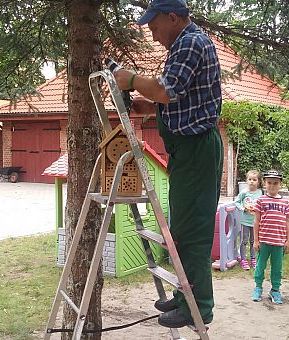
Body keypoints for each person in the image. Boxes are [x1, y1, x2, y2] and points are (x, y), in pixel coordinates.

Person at [113, 0, 223, 328]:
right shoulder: (183, 43)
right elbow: (176, 96)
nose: (152, 32)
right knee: (182, 229)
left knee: (193, 232)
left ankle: (198, 307)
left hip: (197, 150)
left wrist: (131, 79)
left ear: (173, 17)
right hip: (187, 151)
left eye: (155, 25)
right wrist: (150, 105)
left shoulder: (190, 42)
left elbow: (166, 89)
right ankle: (184, 296)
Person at [251, 170, 289, 305]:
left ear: (280, 184)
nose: (272, 186)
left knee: (277, 268)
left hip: (279, 242)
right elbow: (257, 221)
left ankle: (275, 290)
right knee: (260, 265)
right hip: (264, 241)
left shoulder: (285, 203)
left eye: (275, 183)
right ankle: (258, 287)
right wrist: (256, 240)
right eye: (269, 183)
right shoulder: (260, 200)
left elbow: (288, 222)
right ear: (264, 183)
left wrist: (288, 240)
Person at [234, 170, 263, 270]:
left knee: (253, 241)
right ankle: (243, 260)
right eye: (250, 179)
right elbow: (236, 202)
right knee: (244, 240)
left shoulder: (260, 193)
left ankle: (253, 259)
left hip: (255, 222)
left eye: (254, 180)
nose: (251, 181)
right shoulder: (244, 192)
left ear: (258, 181)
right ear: (247, 180)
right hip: (245, 221)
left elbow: (261, 205)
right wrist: (243, 208)